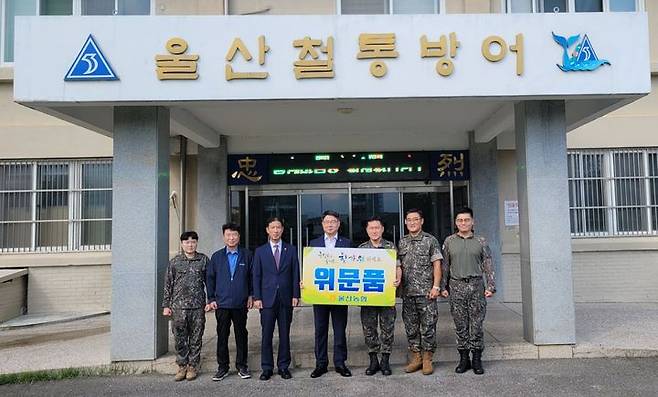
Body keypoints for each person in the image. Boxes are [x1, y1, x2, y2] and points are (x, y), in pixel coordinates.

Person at [440, 207, 496, 375]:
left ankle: (477, 359)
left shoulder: (481, 241)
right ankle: (464, 358)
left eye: (466, 220)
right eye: (460, 220)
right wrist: (443, 286)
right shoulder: (449, 241)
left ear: (473, 222)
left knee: (477, 325)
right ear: (456, 223)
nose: (463, 223)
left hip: (476, 286)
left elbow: (488, 264)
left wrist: (491, 286)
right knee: (461, 325)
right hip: (457, 287)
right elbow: (445, 266)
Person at [252, 217, 300, 381]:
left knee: (285, 334)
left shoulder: (291, 249)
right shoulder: (260, 251)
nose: (276, 230)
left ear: (282, 229)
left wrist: (296, 294)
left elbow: (295, 273)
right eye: (272, 227)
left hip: (286, 298)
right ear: (267, 230)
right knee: (266, 334)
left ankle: (283, 366)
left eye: (278, 227)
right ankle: (266, 368)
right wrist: (257, 296)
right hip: (266, 299)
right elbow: (256, 275)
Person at [308, 210, 353, 378]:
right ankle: (321, 364)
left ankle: (340, 363)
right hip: (319, 294)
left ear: (338, 224)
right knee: (320, 330)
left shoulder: (347, 243)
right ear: (322, 224)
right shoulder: (314, 243)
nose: (330, 224)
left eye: (333, 221)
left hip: (340, 294)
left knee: (340, 330)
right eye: (327, 222)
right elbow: (310, 268)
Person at [398, 209, 443, 375]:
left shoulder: (430, 240)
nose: (412, 222)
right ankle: (416, 358)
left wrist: (436, 286)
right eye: (409, 220)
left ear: (422, 221)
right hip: (408, 293)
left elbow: (437, 264)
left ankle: (427, 359)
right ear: (405, 222)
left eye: (415, 219)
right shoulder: (402, 242)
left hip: (426, 293)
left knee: (428, 326)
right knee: (411, 327)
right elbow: (398, 267)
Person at [206, 223, 253, 381]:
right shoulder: (217, 256)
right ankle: (223, 367)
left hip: (240, 303)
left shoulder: (247, 255)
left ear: (239, 237)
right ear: (224, 237)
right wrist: (211, 298)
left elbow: (252, 277)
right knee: (222, 336)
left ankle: (242, 365)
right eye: (228, 235)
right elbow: (210, 279)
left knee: (241, 334)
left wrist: (251, 296)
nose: (231, 238)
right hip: (222, 303)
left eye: (234, 235)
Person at [357, 216, 402, 376]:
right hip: (368, 297)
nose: (374, 231)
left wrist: (398, 278)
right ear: (367, 230)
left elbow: (398, 266)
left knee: (387, 328)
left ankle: (385, 360)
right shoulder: (361, 249)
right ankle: (373, 360)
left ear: (382, 229)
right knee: (369, 328)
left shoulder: (390, 247)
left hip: (386, 295)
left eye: (377, 228)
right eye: (371, 228)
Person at [162, 231, 209, 381]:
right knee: (180, 338)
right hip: (178, 307)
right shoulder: (175, 262)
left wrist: (210, 300)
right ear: (182, 244)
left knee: (196, 337)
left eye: (193, 242)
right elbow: (168, 284)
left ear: (196, 243)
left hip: (197, 306)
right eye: (187, 242)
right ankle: (182, 366)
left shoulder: (203, 260)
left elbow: (210, 282)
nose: (190, 245)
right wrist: (166, 305)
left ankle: (192, 366)